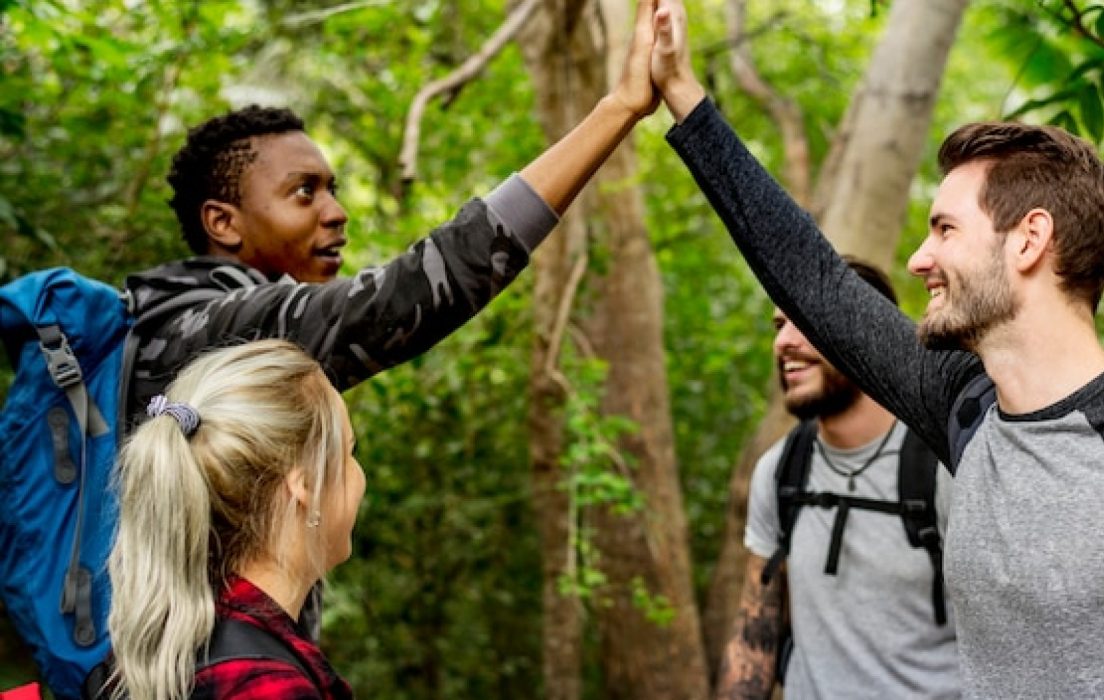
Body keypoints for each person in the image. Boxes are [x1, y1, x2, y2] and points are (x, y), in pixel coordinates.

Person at [648, 1, 1104, 697]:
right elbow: (818, 283)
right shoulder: (965, 409)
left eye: (944, 230)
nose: (919, 258)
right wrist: (683, 95)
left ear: (1028, 239)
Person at [119, 0, 659, 638]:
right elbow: (402, 297)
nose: (336, 211)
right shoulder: (212, 337)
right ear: (223, 222)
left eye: (333, 188)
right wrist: (619, 107)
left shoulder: (178, 317)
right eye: (304, 192)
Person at [718, 258, 959, 699]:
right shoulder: (780, 469)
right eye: (778, 325)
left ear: (867, 332)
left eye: (805, 321)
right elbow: (755, 634)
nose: (784, 343)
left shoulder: (943, 469)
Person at [106, 339, 362, 699]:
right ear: (305, 484)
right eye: (350, 451)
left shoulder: (171, 654)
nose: (358, 474)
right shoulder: (263, 687)